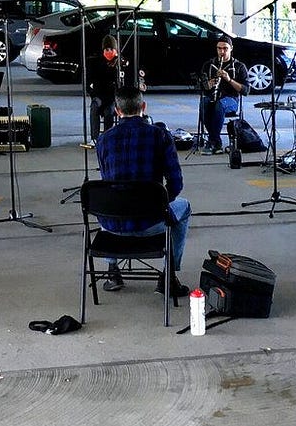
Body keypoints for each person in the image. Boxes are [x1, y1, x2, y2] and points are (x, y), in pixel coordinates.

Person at [94, 86, 192, 295]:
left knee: (108, 200)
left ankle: (112, 271)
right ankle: (168, 276)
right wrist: (162, 203)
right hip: (151, 221)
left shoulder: (103, 140)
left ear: (117, 111)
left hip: (113, 226)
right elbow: (176, 183)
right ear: (143, 107)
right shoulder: (160, 136)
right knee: (184, 208)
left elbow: (107, 182)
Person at [198, 36, 248, 155]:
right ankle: (215, 140)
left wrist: (229, 79)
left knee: (219, 105)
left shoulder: (239, 66)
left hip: (231, 100)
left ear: (231, 49)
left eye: (225, 49)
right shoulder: (209, 65)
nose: (222, 52)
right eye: (219, 48)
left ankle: (213, 141)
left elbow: (245, 90)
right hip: (212, 97)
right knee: (204, 103)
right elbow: (201, 87)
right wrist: (208, 85)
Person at [87, 35, 122, 141]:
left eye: (112, 49)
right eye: (107, 49)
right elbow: (89, 81)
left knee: (109, 112)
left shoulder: (119, 64)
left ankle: (107, 138)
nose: (109, 51)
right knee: (94, 107)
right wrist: (92, 93)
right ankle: (94, 138)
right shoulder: (96, 63)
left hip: (112, 98)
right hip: (99, 95)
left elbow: (120, 83)